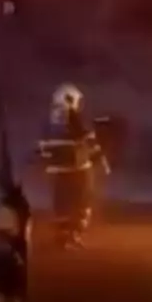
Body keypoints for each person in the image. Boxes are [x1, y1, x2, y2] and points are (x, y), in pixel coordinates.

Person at [38, 84, 105, 248]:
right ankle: (75, 235)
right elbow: (87, 137)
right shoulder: (73, 116)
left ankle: (63, 237)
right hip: (79, 168)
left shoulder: (48, 120)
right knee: (83, 201)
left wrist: (45, 163)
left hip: (58, 170)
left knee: (61, 204)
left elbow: (42, 147)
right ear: (70, 99)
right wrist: (98, 156)